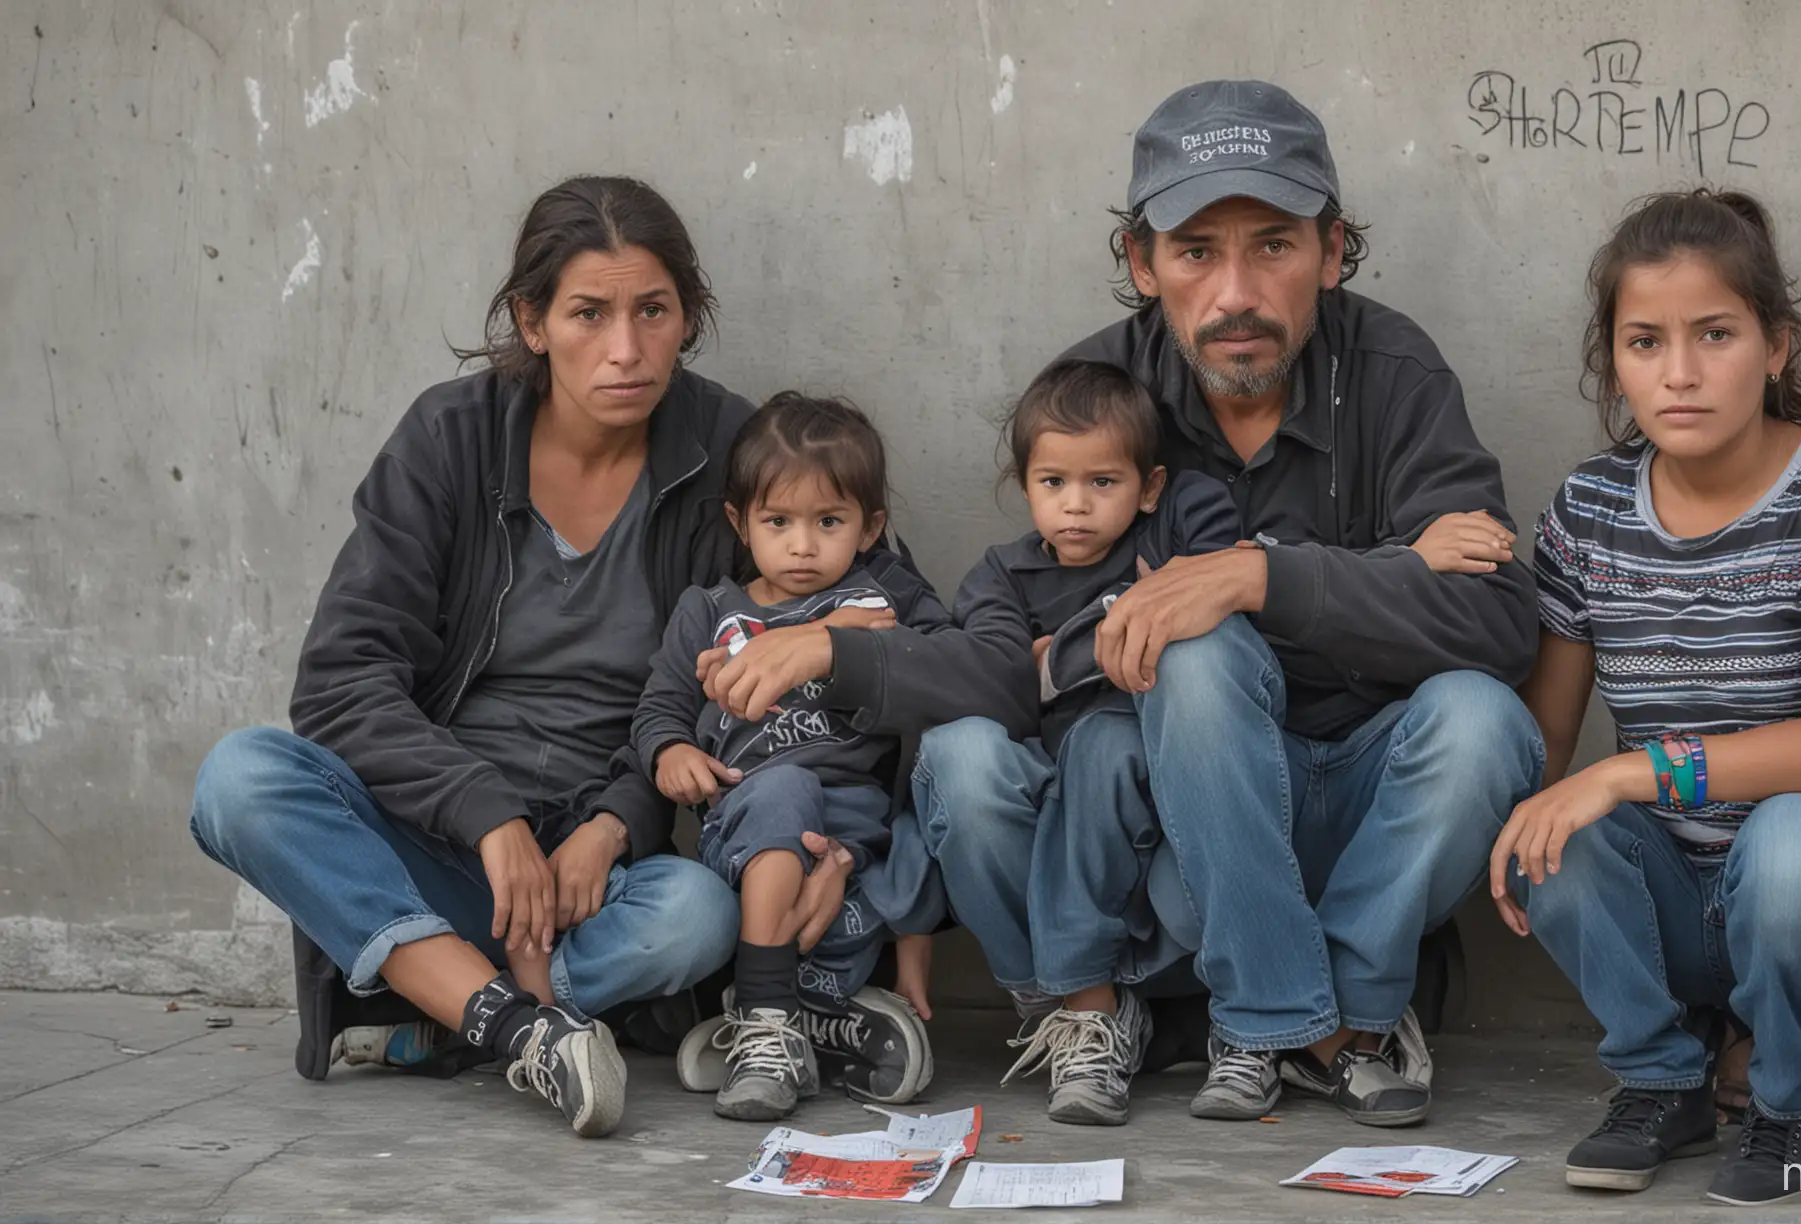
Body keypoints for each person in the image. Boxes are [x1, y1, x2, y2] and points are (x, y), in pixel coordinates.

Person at [915, 81, 1541, 1128]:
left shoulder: (1393, 375)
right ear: (1141, 263)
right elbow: (1017, 647)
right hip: (1165, 838)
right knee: (1127, 689)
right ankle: (1309, 1025)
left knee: (1485, 726)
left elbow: (1497, 626)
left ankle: (1316, 1005)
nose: (1235, 293)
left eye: (1275, 247)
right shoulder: (1093, 399)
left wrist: (1260, 576)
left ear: (1333, 252)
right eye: (1196, 250)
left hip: (1345, 816)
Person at [188, 176, 753, 1138]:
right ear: (532, 322)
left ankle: (440, 1008)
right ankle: (518, 1026)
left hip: (592, 871)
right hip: (437, 846)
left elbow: (821, 612)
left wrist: (617, 820)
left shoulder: (727, 452)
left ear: (687, 317)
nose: (626, 348)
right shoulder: (450, 439)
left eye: (653, 310)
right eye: (589, 313)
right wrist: (486, 815)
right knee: (237, 778)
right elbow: (341, 683)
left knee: (696, 911)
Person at [1483, 189, 1801, 1207]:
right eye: (1645, 341)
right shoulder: (1589, 510)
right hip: (1674, 905)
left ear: (1777, 346)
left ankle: (1787, 1104)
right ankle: (1661, 1078)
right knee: (1547, 819)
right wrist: (1528, 829)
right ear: (1615, 359)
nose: (1678, 372)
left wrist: (1635, 770)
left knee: (1792, 842)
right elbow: (1546, 743)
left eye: (1715, 334)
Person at [917, 359, 1241, 1126]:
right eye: (1053, 483)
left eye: (1103, 483)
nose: (1076, 506)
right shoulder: (1003, 573)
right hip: (1045, 810)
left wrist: (1056, 656)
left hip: (1151, 813)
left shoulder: (1181, 525)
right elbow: (996, 682)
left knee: (1107, 740)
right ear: (1024, 486)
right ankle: (1076, 1012)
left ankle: (1129, 1006)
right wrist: (1113, 636)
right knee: (956, 751)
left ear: (1149, 486)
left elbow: (1222, 610)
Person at [631, 393, 944, 1122]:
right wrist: (671, 749)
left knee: (923, 836)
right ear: (741, 522)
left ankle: (787, 1017)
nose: (802, 546)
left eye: (828, 523)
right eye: (779, 522)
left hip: (857, 834)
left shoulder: (879, 603)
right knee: (785, 789)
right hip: (749, 822)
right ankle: (776, 1025)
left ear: (870, 527)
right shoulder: (710, 612)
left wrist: (848, 633)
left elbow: (944, 664)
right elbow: (658, 708)